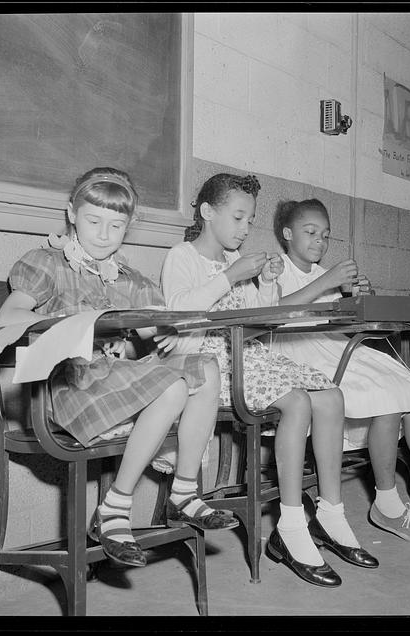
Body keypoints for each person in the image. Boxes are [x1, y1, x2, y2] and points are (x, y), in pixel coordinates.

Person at [0, 167, 238, 569]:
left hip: (115, 378)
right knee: (173, 387)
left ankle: (183, 492)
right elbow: (8, 318)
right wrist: (73, 326)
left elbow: (154, 323)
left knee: (206, 368)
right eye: (93, 221)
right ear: (71, 214)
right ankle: (115, 507)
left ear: (129, 225)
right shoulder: (47, 263)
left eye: (116, 225)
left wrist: (166, 331)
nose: (104, 234)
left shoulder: (127, 277)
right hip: (69, 384)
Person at [160, 173, 378, 589]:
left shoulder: (234, 263)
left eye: (250, 220)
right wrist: (232, 276)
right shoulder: (181, 256)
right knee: (296, 402)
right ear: (207, 213)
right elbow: (179, 318)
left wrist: (263, 284)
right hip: (205, 364)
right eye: (239, 218)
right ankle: (291, 525)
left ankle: (331, 514)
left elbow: (261, 325)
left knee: (330, 395)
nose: (245, 229)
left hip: (248, 356)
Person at [271, 198, 410, 543]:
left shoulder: (325, 276)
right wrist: (330, 283)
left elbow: (344, 323)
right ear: (287, 234)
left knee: (408, 387)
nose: (320, 240)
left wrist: (361, 299)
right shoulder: (276, 268)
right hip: (300, 355)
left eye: (326, 235)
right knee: (386, 395)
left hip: (334, 347)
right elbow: (275, 313)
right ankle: (388, 504)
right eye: (311, 232)